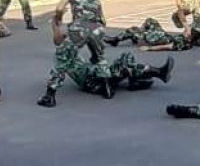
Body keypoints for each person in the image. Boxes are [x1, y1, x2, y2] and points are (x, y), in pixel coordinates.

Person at [36, 16, 173, 107]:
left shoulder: (71, 45)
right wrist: (50, 95)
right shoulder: (65, 54)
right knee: (124, 63)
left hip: (97, 75)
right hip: (93, 81)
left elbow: (64, 40)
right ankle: (157, 72)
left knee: (126, 57)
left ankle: (139, 79)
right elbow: (58, 70)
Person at [53, 0, 106, 64]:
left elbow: (59, 8)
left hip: (79, 28)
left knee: (62, 54)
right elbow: (103, 21)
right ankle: (97, 54)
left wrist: (58, 19)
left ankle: (71, 57)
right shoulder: (96, 0)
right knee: (90, 32)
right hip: (98, 29)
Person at [104, 17, 200, 52]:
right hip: (163, 35)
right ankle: (139, 36)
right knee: (151, 21)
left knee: (132, 30)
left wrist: (149, 48)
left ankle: (115, 40)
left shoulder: (181, 43)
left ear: (189, 37)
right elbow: (194, 36)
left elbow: (167, 46)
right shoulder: (189, 41)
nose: (186, 30)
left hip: (157, 39)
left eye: (188, 31)